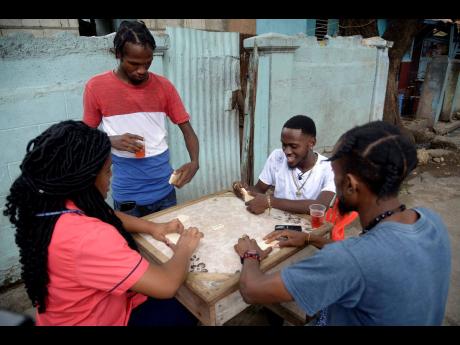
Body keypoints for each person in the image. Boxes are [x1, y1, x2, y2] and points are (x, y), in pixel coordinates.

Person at [233, 121, 451, 325]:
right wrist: (311, 238)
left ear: (349, 185)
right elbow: (374, 260)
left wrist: (250, 255)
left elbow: (252, 291)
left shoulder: (347, 259)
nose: (335, 188)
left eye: (336, 179)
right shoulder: (430, 220)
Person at [4, 120, 203, 326]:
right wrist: (184, 248)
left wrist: (153, 227)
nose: (111, 177)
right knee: (188, 302)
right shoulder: (88, 236)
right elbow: (167, 284)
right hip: (100, 321)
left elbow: (105, 213)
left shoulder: (48, 206)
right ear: (87, 178)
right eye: (108, 171)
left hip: (69, 315)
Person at [83, 20, 199, 217]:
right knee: (132, 247)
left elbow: (187, 130)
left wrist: (195, 162)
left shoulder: (164, 87)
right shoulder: (96, 87)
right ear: (118, 54)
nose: (142, 70)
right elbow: (83, 136)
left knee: (167, 246)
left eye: (148, 62)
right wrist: (110, 140)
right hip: (128, 197)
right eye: (134, 64)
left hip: (165, 192)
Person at [232, 115, 336, 215]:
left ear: (312, 143)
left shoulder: (329, 167)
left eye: (294, 146)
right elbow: (259, 189)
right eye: (284, 145)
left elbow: (320, 206)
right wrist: (243, 190)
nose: (287, 151)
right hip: (276, 220)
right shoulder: (277, 157)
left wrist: (270, 201)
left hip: (307, 227)